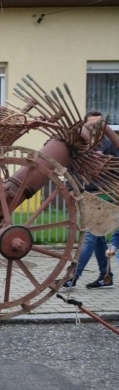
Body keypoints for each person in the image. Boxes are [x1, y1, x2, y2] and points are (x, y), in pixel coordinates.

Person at [65, 111, 119, 289]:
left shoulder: (109, 145)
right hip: (86, 197)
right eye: (91, 125)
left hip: (104, 197)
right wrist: (71, 188)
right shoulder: (81, 146)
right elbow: (72, 169)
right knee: (99, 239)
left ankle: (72, 277)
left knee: (89, 236)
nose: (95, 128)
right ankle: (106, 276)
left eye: (99, 124)